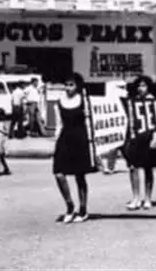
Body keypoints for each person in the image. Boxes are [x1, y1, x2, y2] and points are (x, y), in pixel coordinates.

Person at [52, 72, 97, 223]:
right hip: (65, 138)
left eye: (71, 85)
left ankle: (83, 209)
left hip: (80, 138)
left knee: (80, 175)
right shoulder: (59, 101)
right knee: (59, 173)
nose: (68, 88)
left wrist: (92, 143)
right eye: (66, 84)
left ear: (77, 86)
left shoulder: (84, 100)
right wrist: (56, 142)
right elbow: (59, 124)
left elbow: (89, 122)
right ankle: (70, 206)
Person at [123, 75, 156, 210]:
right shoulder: (134, 100)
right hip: (135, 137)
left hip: (149, 137)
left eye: (144, 85)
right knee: (133, 167)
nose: (141, 88)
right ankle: (136, 198)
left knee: (148, 168)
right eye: (139, 85)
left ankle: (148, 198)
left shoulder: (153, 101)